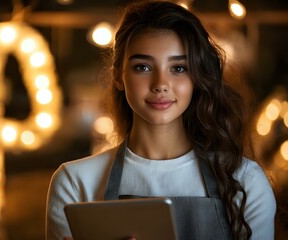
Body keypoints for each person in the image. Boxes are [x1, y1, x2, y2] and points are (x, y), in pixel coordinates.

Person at [46, 1, 276, 239]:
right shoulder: (75, 182)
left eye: (178, 68)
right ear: (118, 77)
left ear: (197, 78)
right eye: (143, 67)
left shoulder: (245, 180)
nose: (160, 85)